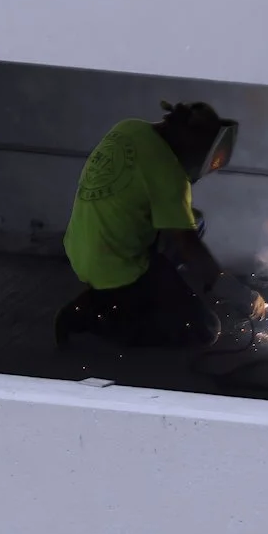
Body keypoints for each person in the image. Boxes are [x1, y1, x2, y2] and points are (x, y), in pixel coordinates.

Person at [54, 101, 239, 350]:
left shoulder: (129, 127)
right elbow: (189, 246)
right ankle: (102, 321)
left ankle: (119, 297)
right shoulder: (169, 174)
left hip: (80, 248)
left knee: (194, 219)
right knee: (205, 330)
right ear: (188, 140)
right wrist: (239, 294)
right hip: (119, 266)